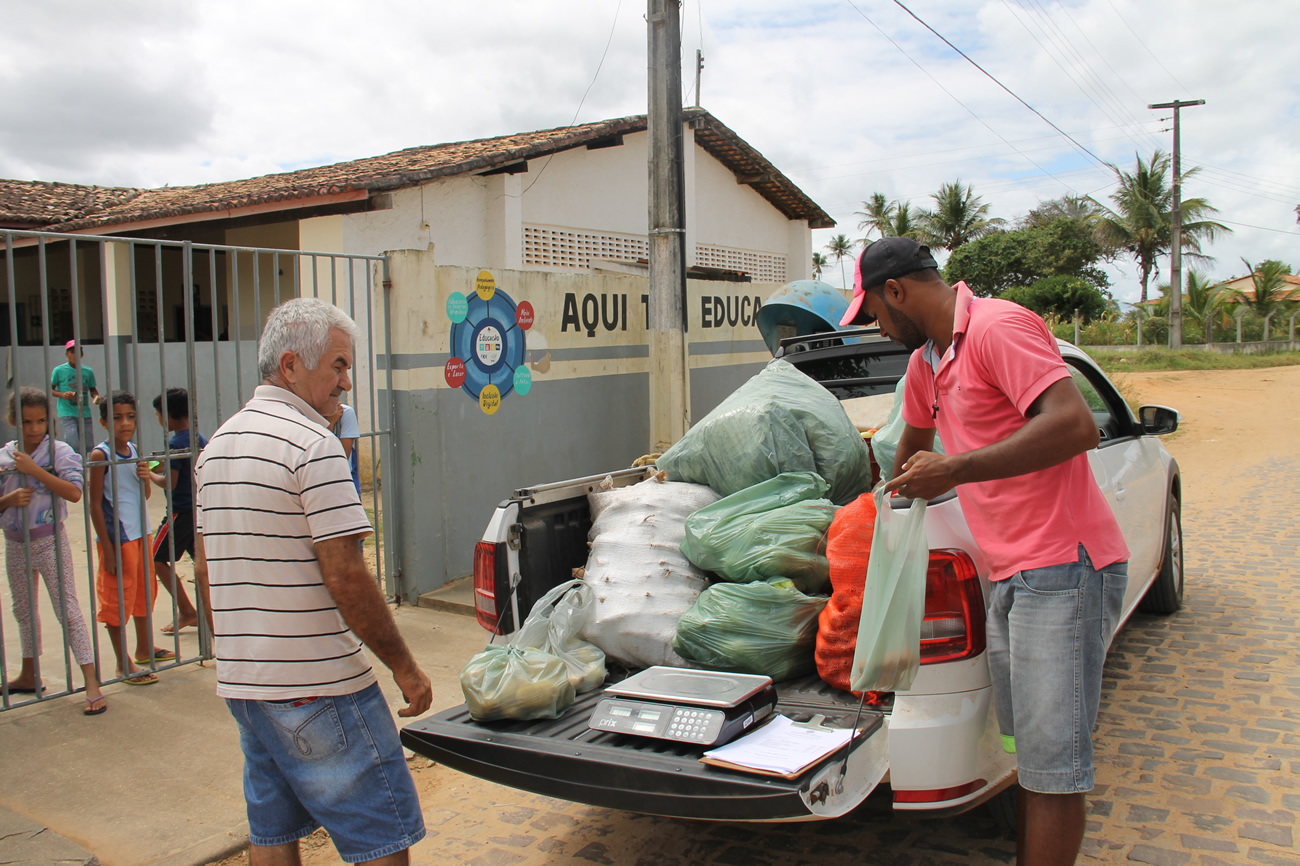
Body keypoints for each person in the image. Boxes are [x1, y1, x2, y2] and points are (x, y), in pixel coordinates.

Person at [840, 237, 1129, 866]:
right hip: (1009, 572)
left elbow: (1074, 424)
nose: (878, 329)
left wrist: (956, 469)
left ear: (898, 292)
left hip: (1064, 566)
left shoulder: (1000, 327)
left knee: (1054, 766)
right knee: (1029, 754)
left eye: (876, 315)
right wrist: (873, 516)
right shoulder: (927, 364)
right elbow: (911, 451)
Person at [193, 297, 432, 866]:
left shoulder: (217, 448)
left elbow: (205, 567)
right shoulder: (313, 445)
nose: (346, 382)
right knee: (381, 836)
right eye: (339, 365)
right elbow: (347, 577)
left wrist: (238, 652)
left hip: (246, 688)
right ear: (292, 366)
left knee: (272, 831)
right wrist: (404, 666)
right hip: (320, 686)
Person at [0, 388, 106, 715]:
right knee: (23, 609)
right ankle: (29, 674)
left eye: (41, 420)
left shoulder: (59, 452)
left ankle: (91, 681)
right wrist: (7, 501)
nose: (34, 428)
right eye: (27, 421)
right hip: (15, 543)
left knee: (67, 608)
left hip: (50, 541)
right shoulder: (4, 457)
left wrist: (34, 471)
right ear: (13, 420)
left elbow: (74, 493)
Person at [89, 390, 166, 686]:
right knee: (117, 598)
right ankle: (123, 664)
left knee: (143, 593)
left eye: (130, 417)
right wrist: (107, 548)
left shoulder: (134, 451)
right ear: (104, 421)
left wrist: (145, 478)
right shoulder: (101, 455)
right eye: (118, 418)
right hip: (118, 537)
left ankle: (144, 648)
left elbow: (143, 495)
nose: (125, 423)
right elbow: (95, 503)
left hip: (140, 533)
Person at [146, 388, 204, 635]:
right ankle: (208, 612)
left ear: (167, 416)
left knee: (157, 560)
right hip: (198, 510)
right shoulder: (198, 438)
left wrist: (149, 474)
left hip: (179, 511)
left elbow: (169, 482)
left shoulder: (174, 443)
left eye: (158, 414)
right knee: (201, 563)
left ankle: (187, 611)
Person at [49, 340, 101, 457]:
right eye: (72, 352)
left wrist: (96, 397)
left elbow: (92, 389)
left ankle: (85, 466)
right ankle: (75, 464)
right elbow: (51, 390)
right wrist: (63, 395)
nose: (75, 355)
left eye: (78, 352)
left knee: (88, 444)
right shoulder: (59, 370)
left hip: (84, 412)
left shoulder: (87, 371)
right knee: (73, 443)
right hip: (67, 411)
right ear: (67, 354)